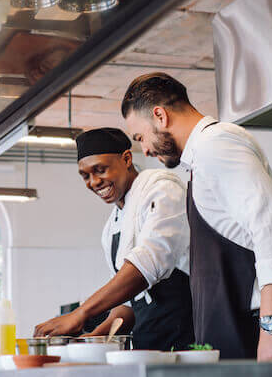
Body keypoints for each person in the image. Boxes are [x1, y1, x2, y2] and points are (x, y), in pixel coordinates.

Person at [121, 73, 272, 361]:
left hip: (257, 333)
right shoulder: (203, 156)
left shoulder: (216, 145)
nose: (145, 149)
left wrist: (271, 328)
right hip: (239, 332)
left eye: (140, 137)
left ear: (159, 116)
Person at [34, 128, 194, 351]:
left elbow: (146, 266)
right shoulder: (112, 227)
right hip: (146, 346)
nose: (94, 182)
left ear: (127, 159)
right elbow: (126, 307)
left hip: (186, 341)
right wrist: (90, 341)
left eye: (100, 170)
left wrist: (81, 314)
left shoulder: (163, 191)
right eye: (85, 176)